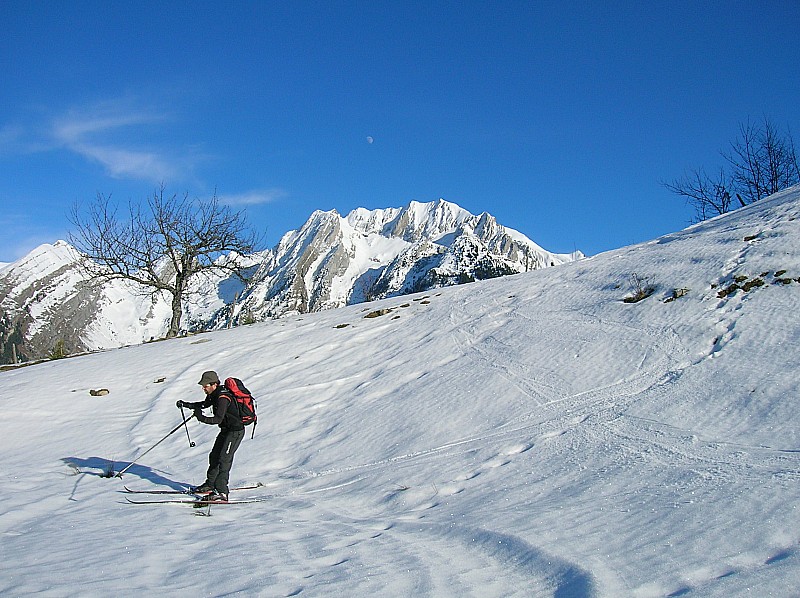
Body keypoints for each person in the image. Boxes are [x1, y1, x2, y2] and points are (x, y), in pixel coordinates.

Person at [176, 370, 245, 502]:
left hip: (235, 432)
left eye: (205, 386)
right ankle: (210, 484)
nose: (203, 388)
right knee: (214, 456)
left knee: (224, 460)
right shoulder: (214, 394)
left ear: (214, 384)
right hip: (226, 431)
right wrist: (186, 405)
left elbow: (217, 419)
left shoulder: (223, 398)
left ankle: (222, 492)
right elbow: (204, 404)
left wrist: (200, 417)